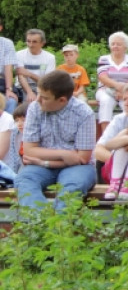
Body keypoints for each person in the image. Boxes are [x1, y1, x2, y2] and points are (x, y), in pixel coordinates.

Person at [14, 70, 97, 212]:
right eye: (39, 94)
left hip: (77, 168)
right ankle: (41, 224)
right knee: (24, 181)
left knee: (72, 187)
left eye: (45, 97)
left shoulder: (84, 113)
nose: (38, 99)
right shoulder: (35, 108)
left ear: (62, 100)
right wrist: (64, 154)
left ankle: (59, 228)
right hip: (40, 167)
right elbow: (29, 150)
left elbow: (82, 158)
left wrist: (43, 160)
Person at [93, 82, 128, 184]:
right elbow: (98, 150)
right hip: (118, 170)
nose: (126, 103)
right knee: (101, 162)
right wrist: (121, 162)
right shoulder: (120, 119)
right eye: (124, 99)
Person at [96, 32, 128, 133]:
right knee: (106, 101)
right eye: (113, 44)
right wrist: (118, 87)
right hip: (106, 89)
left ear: (125, 47)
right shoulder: (103, 59)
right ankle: (106, 135)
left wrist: (124, 91)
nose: (115, 46)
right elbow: (102, 77)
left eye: (118, 44)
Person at [14, 28, 56, 103]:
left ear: (42, 43)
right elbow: (21, 77)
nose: (30, 45)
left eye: (34, 42)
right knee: (29, 101)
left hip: (42, 87)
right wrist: (29, 92)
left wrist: (29, 74)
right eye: (28, 41)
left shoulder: (50, 58)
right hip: (22, 87)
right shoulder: (19, 55)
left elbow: (47, 82)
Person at [0, 102, 26, 183]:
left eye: (23, 120)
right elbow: (14, 158)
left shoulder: (35, 134)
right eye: (17, 121)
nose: (20, 124)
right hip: (16, 168)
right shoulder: (15, 134)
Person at [0, 17, 17, 113]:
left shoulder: (7, 43)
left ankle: (7, 127)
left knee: (11, 101)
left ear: (0, 28)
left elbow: (8, 68)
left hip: (2, 82)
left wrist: (9, 89)